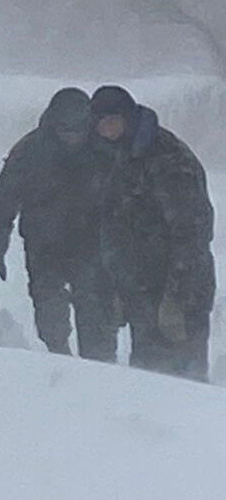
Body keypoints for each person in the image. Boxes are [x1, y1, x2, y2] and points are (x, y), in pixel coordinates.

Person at [0, 88, 119, 361]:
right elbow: (2, 203)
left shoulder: (105, 150)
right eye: (65, 130)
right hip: (45, 250)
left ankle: (101, 376)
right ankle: (59, 365)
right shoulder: (30, 151)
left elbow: (126, 200)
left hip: (94, 250)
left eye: (77, 130)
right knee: (50, 320)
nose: (71, 137)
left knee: (97, 324)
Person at [89, 85, 216, 382]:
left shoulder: (168, 158)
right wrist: (120, 287)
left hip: (180, 292)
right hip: (143, 294)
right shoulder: (120, 157)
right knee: (148, 382)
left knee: (185, 383)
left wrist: (176, 298)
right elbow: (116, 228)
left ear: (129, 118)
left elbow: (191, 232)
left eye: (113, 120)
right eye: (101, 122)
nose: (107, 128)